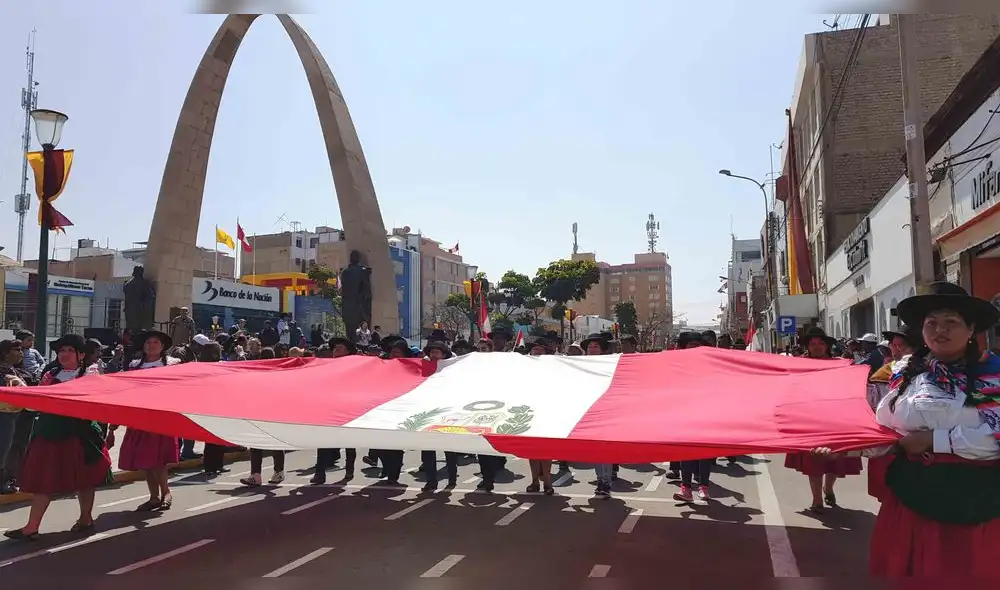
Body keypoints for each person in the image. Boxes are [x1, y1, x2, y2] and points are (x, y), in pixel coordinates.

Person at [863, 282, 1000, 577]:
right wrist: (845, 445)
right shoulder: (907, 372)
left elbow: (993, 439)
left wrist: (933, 440)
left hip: (975, 502)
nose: (940, 330)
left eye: (951, 322)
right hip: (911, 500)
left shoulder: (989, 373)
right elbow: (886, 425)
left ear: (970, 328)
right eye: (932, 323)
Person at [3, 334, 113, 540]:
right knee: (44, 480)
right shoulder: (50, 374)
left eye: (70, 350)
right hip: (49, 432)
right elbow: (37, 403)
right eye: (61, 350)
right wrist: (20, 387)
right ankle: (31, 526)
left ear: (81, 355)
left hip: (80, 434)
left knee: (85, 479)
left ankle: (85, 518)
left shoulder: (90, 375)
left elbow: (92, 402)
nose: (64, 354)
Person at [782, 327, 861, 512]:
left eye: (820, 343)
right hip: (810, 420)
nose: (817, 347)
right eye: (812, 344)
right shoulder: (799, 364)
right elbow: (789, 387)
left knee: (834, 459)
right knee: (814, 460)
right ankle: (817, 500)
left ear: (827, 346)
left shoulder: (840, 364)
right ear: (807, 347)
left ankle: (828, 488)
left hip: (836, 419)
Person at [111, 330, 182, 511]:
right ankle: (153, 496)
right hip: (140, 417)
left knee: (159, 460)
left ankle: (166, 492)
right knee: (146, 460)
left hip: (162, 416)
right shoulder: (135, 365)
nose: (151, 345)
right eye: (148, 342)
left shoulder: (173, 365)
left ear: (163, 346)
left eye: (156, 342)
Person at [672, 331, 718, 502]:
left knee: (704, 453)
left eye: (696, 345)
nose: (693, 348)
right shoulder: (676, 365)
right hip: (684, 414)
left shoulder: (710, 364)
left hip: (706, 413)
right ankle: (686, 489)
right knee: (686, 453)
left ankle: (704, 486)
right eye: (690, 345)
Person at [582, 332, 616, 498]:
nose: (592, 349)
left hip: (606, 410)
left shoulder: (609, 364)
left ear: (602, 349)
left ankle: (606, 481)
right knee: (594, 449)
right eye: (590, 347)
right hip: (589, 411)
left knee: (605, 449)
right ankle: (600, 479)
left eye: (595, 346)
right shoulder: (580, 365)